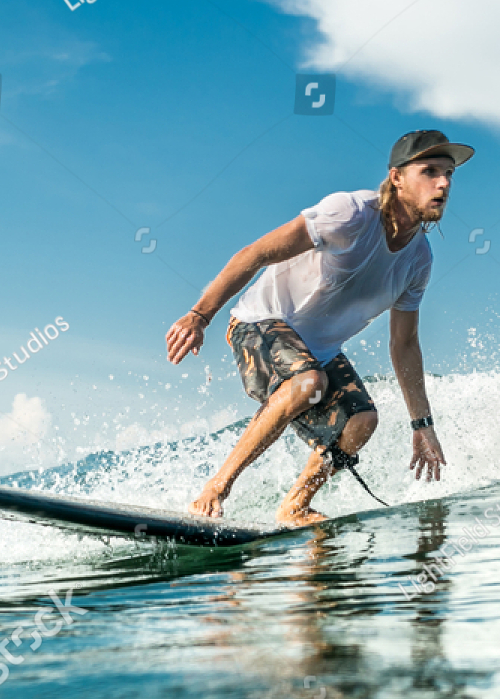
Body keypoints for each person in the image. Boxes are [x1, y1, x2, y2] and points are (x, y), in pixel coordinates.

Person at [164, 129, 472, 526]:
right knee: (307, 383)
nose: (444, 183)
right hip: (257, 322)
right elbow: (256, 253)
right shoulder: (350, 214)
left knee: (361, 421)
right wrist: (200, 315)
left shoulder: (418, 261)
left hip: (317, 353)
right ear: (396, 177)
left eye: (449, 174)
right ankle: (214, 490)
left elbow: (405, 343)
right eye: (429, 171)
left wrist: (422, 424)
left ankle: (295, 504)